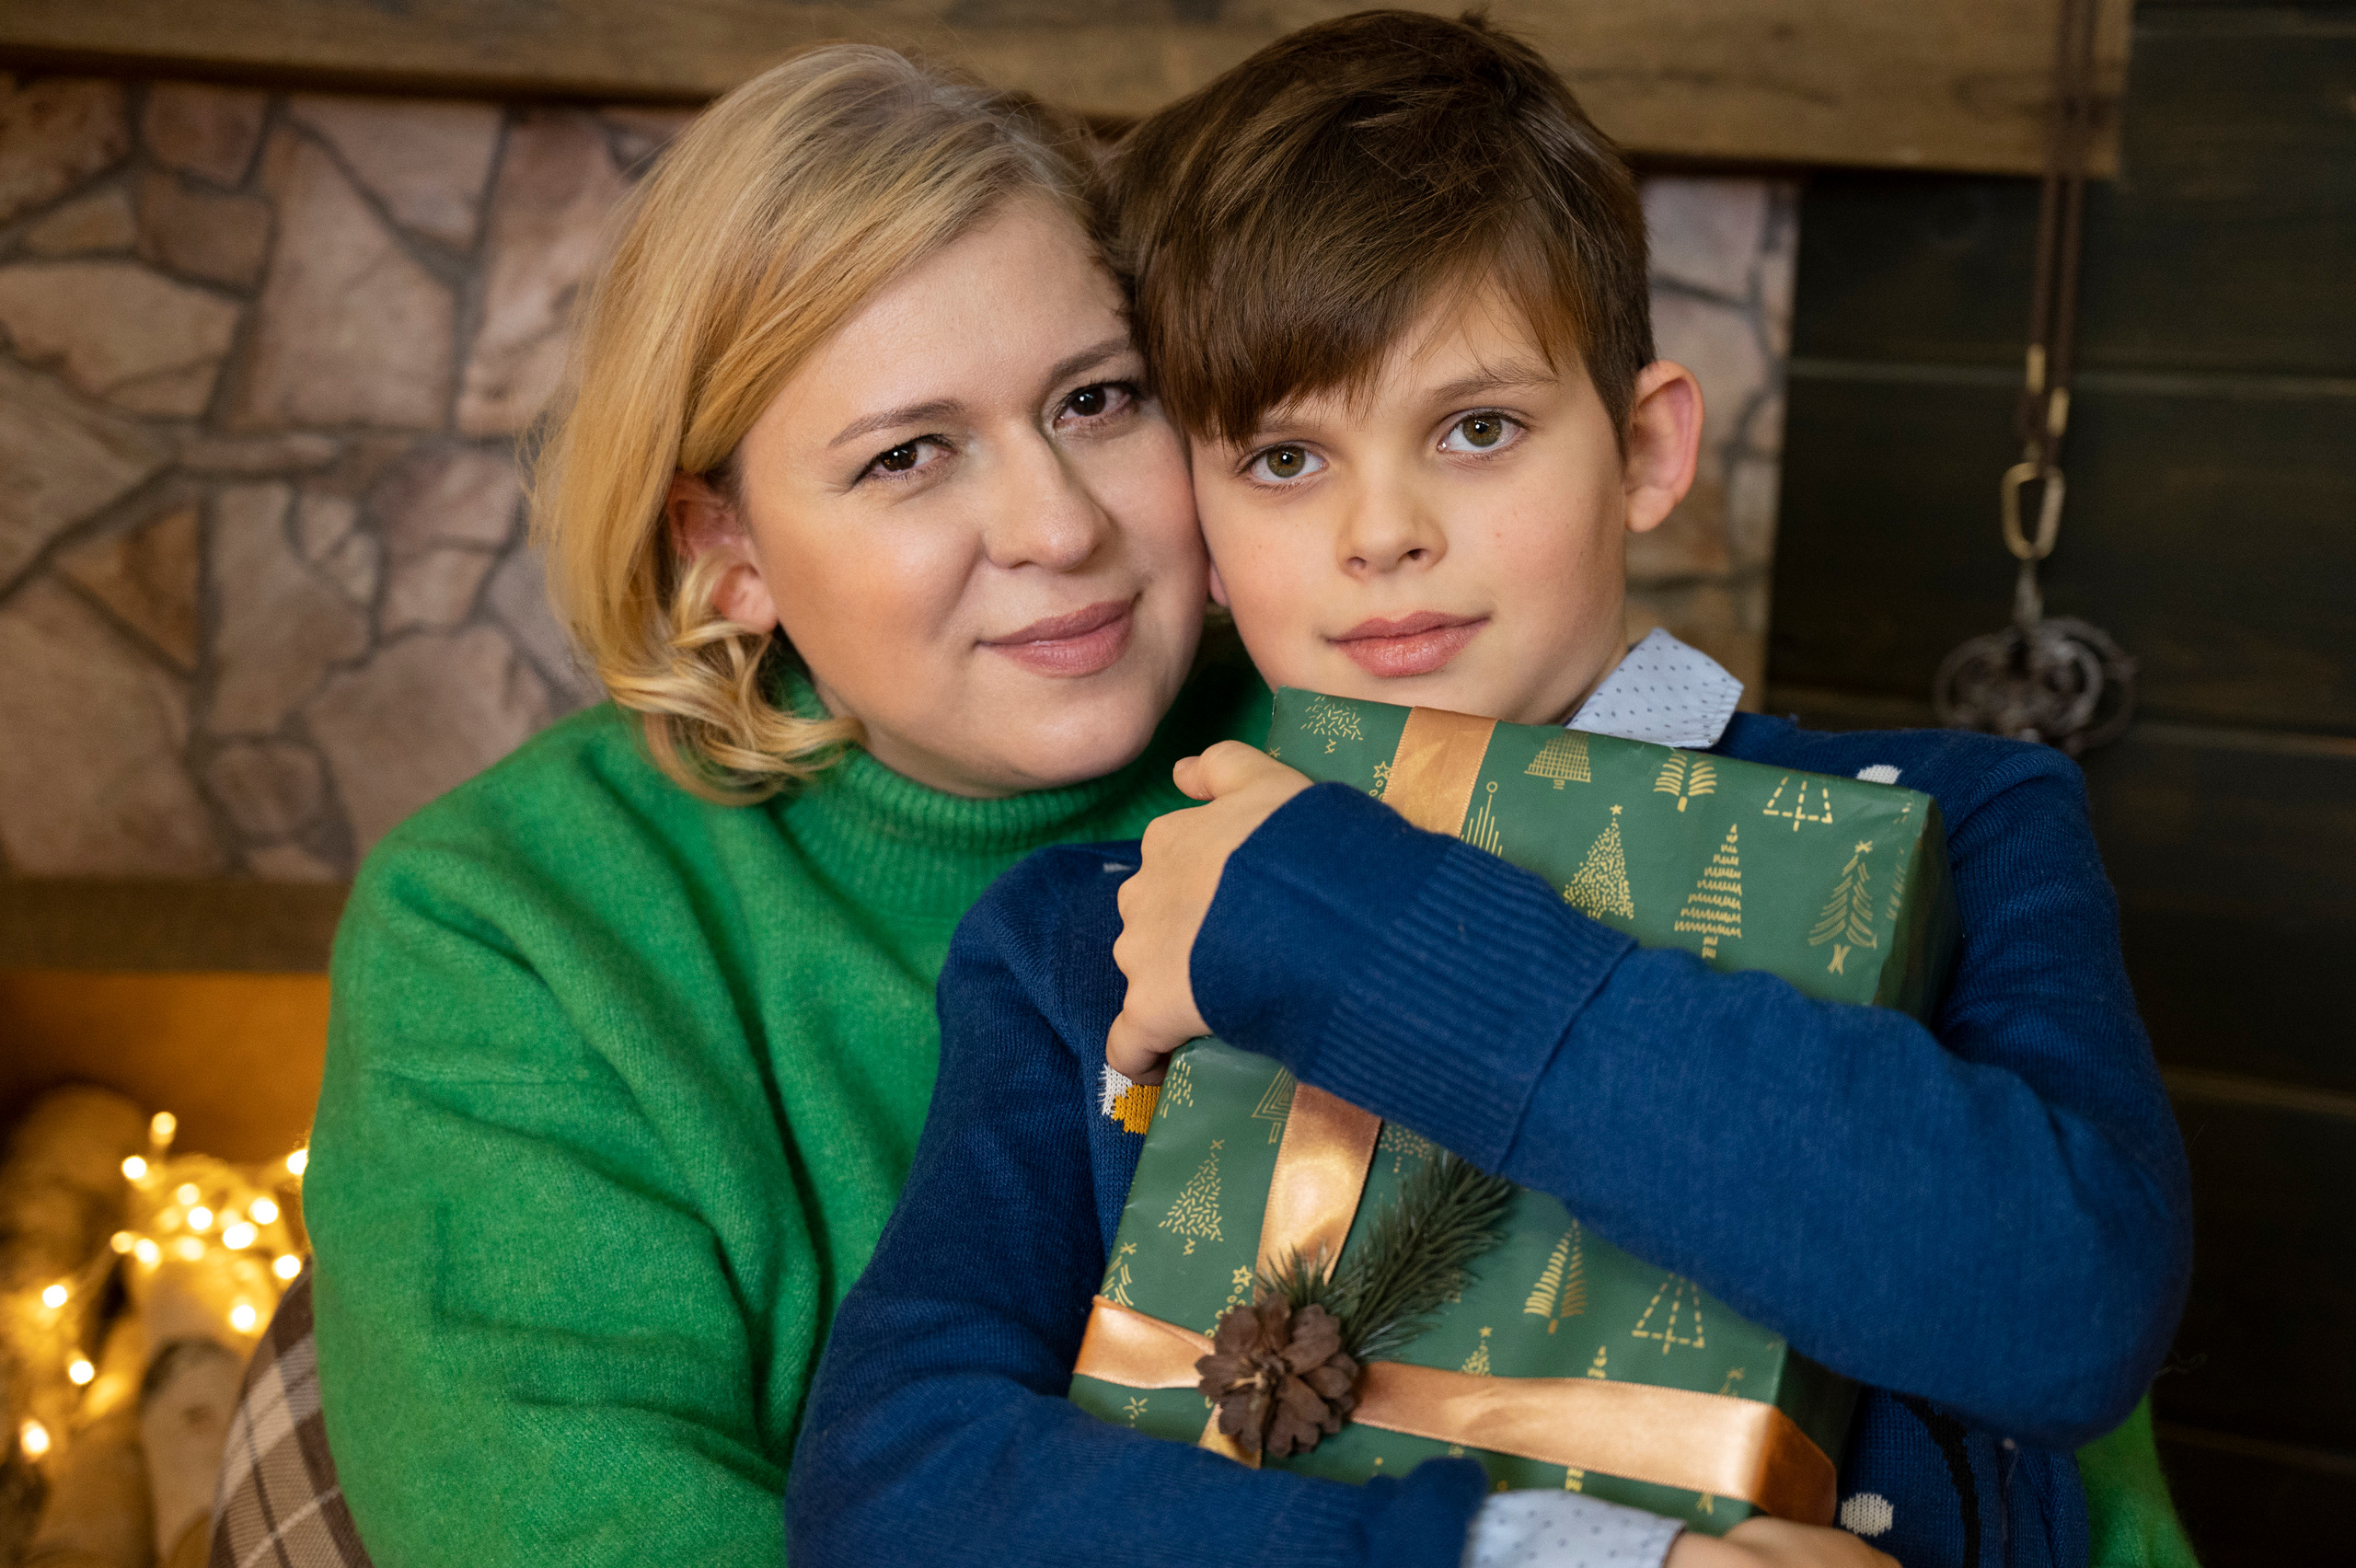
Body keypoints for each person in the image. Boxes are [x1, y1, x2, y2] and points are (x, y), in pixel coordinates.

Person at [785, 13, 2192, 1568]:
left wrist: (1346, 929)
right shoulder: (1086, 938)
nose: (1383, 530)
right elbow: (893, 1483)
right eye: (1282, 459)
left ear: (1645, 450)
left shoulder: (1960, 819)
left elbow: (2067, 1310)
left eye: (1476, 429)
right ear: (1190, 495)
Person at [290, 46, 1267, 1567]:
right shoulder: (504, 928)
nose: (1059, 524)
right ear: (726, 551)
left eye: (1097, 399)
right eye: (908, 454)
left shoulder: (1350, 758)